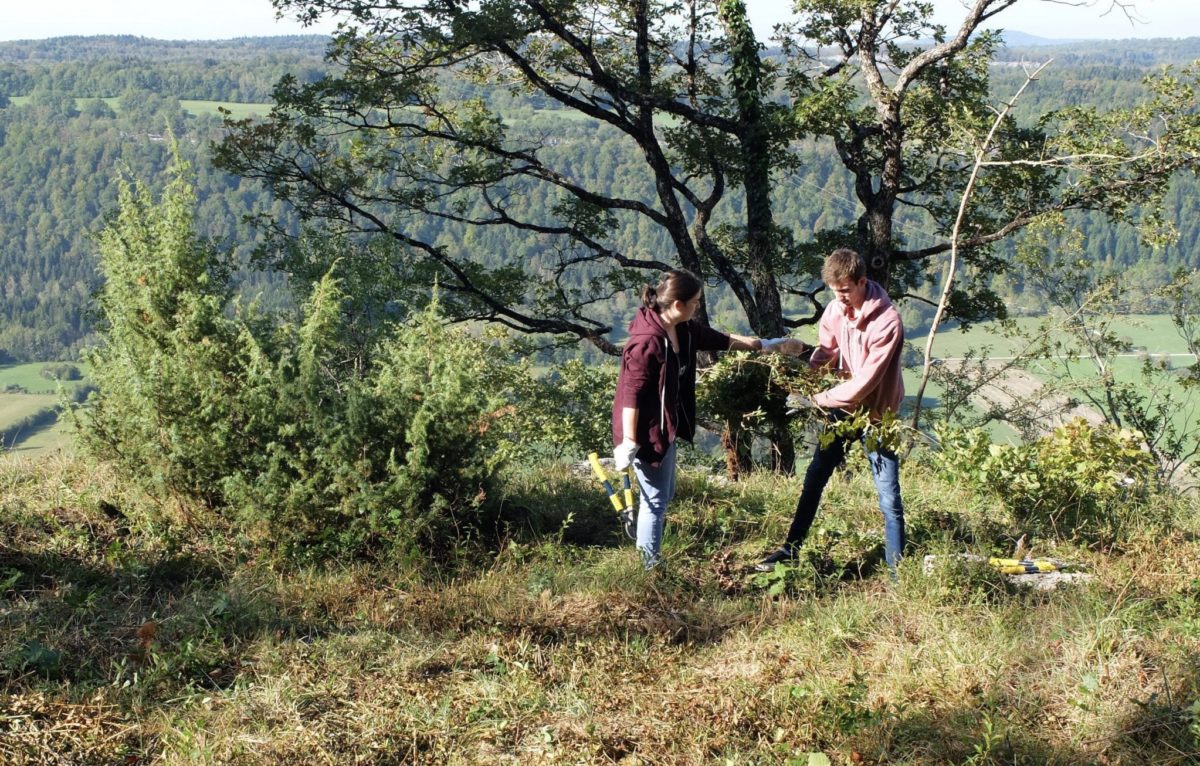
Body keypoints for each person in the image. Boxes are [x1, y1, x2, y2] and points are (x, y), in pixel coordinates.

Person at [612, 269, 802, 569]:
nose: (698, 306)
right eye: (696, 301)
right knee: (655, 501)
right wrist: (629, 441)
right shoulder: (647, 341)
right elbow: (631, 393)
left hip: (666, 424)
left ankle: (647, 558)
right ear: (678, 304)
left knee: (663, 493)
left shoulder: (683, 330)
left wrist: (767, 345)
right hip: (645, 432)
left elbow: (723, 340)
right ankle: (649, 567)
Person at [755, 248, 907, 575]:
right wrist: (803, 384)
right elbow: (825, 353)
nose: (841, 299)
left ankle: (898, 573)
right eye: (835, 292)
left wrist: (816, 400)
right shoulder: (835, 310)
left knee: (888, 497)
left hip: (878, 416)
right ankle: (790, 549)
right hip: (841, 410)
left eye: (846, 291)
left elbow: (865, 382)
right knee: (814, 478)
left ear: (862, 281)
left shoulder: (887, 322)